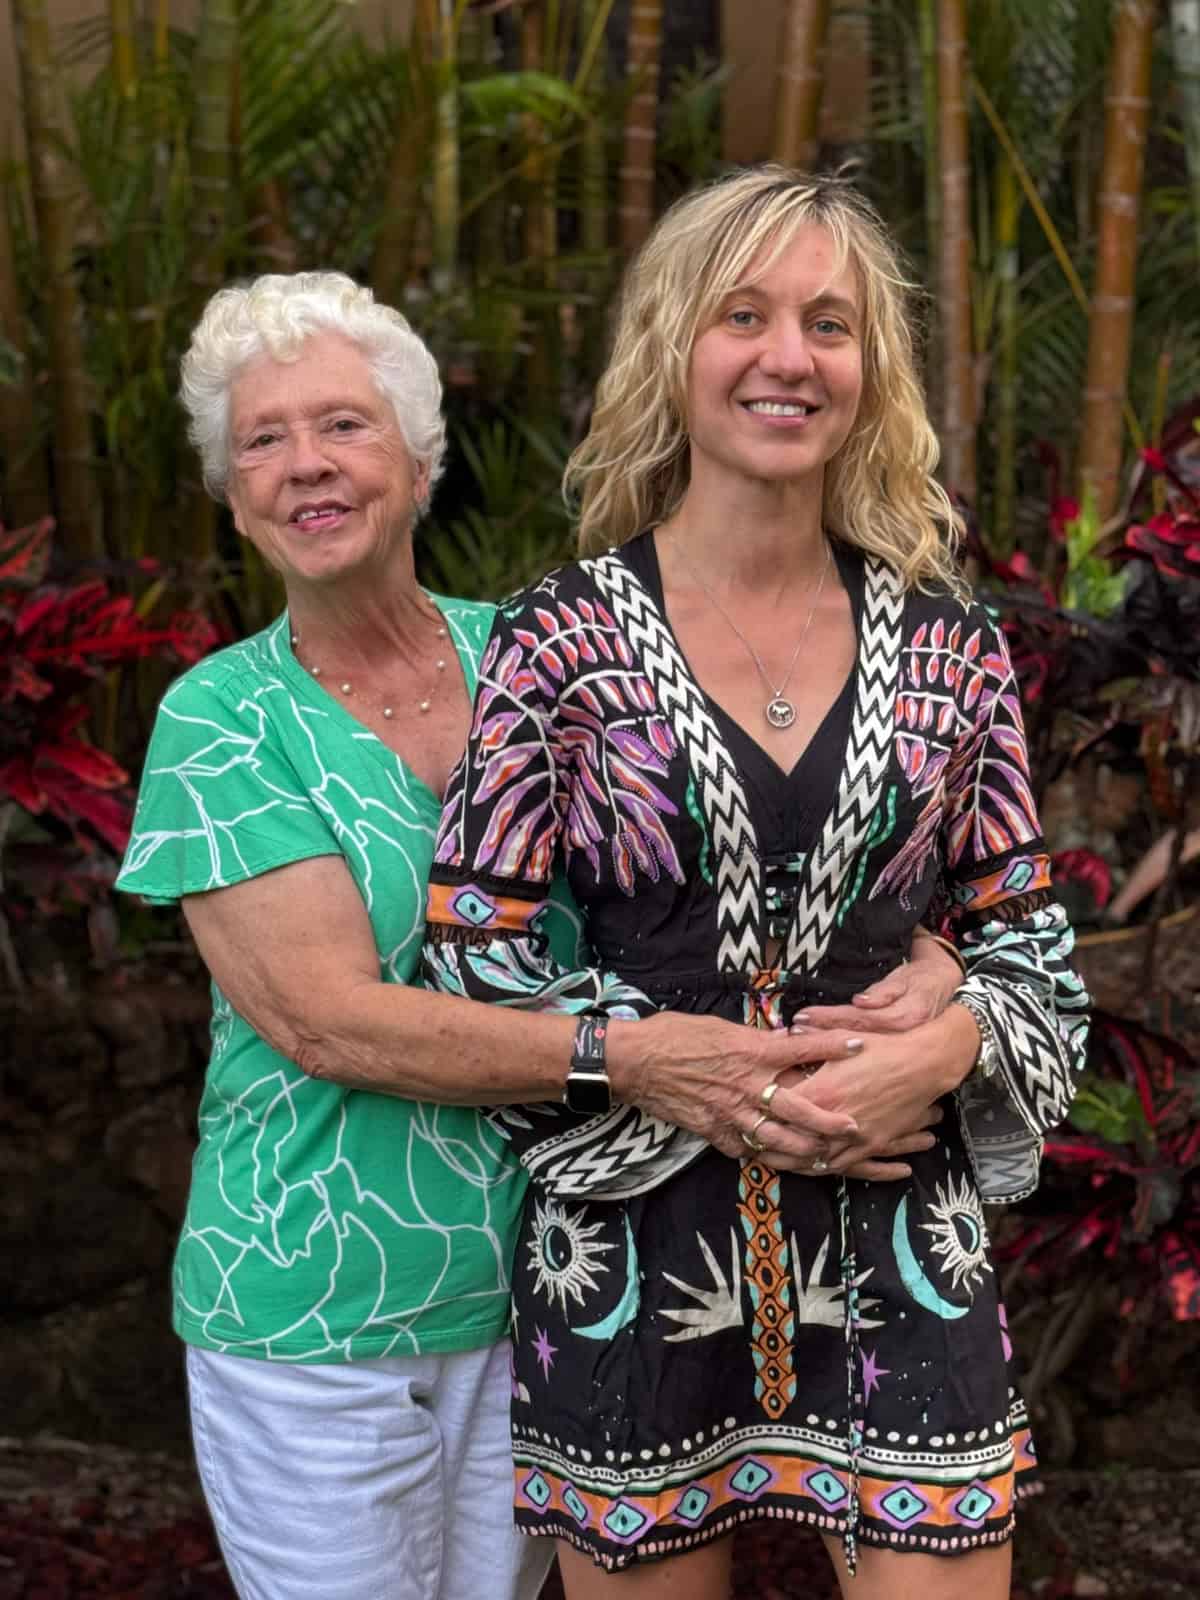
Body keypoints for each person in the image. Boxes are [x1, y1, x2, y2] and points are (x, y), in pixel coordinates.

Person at [114, 269, 961, 1600]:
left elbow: (747, 871)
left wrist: (933, 963)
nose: (306, 464)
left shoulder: (539, 650)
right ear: (233, 498)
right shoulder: (221, 721)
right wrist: (632, 1060)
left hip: (556, 1281)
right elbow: (328, 1020)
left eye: (343, 425)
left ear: (418, 464)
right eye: (262, 441)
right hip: (314, 1312)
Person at [422, 169, 1091, 1600]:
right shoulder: (558, 641)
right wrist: (666, 1063)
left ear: (871, 369)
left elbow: (1035, 949)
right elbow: (469, 958)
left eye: (829, 324)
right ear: (673, 345)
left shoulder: (955, 646)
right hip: (630, 1237)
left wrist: (945, 1044)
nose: (789, 356)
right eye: (745, 315)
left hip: (900, 1217)